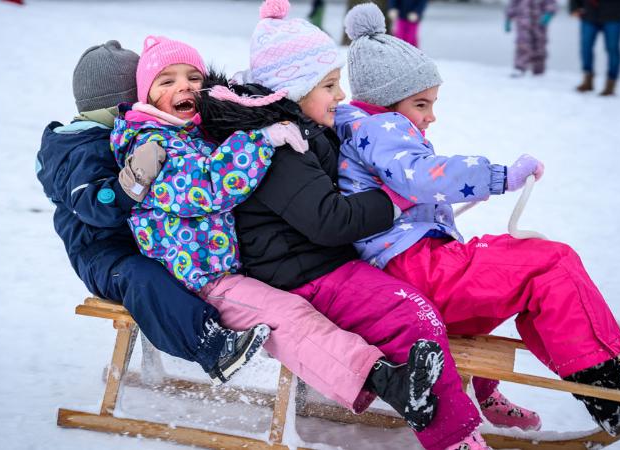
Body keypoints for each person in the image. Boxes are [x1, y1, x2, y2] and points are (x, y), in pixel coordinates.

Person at [335, 4, 620, 449]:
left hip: (415, 268)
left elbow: (409, 180)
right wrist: (499, 176)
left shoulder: (364, 128)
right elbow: (424, 173)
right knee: (549, 263)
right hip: (418, 270)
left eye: (432, 104)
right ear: (386, 102)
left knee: (535, 273)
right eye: (421, 104)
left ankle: (606, 381)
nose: (430, 116)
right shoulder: (383, 127)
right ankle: (608, 383)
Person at [197, 0, 495, 446]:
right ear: (293, 91)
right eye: (330, 85)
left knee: (438, 295)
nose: (341, 95)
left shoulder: (307, 128)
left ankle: (474, 403)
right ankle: (454, 435)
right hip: (304, 274)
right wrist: (397, 196)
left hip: (322, 263)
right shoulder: (281, 146)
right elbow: (329, 221)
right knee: (411, 316)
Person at [110, 33, 446, 425]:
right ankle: (388, 383)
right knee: (288, 316)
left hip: (226, 269)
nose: (184, 86)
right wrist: (262, 139)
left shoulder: (193, 132)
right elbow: (209, 188)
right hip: (197, 279)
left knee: (298, 308)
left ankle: (390, 376)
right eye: (167, 81)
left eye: (193, 77)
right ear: (145, 97)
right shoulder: (152, 144)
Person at [35, 40, 271, 386]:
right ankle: (211, 346)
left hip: (139, 239)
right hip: (103, 255)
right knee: (142, 278)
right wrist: (133, 181)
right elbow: (94, 207)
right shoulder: (76, 147)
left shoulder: (121, 134)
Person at [570, 0, 620, 96]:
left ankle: (610, 84)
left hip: (615, 13)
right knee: (585, 46)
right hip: (589, 12)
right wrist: (574, 7)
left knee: (612, 48)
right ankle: (587, 79)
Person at [505, 0, 557, 76]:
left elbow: (551, 2)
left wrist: (549, 13)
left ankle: (539, 70)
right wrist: (508, 18)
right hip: (523, 21)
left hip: (540, 22)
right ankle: (519, 68)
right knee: (522, 45)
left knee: (539, 46)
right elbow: (513, 4)